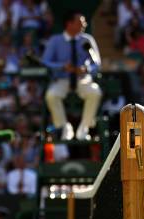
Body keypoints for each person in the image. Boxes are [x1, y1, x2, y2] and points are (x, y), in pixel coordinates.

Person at [42, 11, 102, 140]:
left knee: (95, 92)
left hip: (82, 79)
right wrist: (62, 66)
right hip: (62, 79)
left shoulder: (87, 40)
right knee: (52, 95)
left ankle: (84, 128)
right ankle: (64, 127)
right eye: (80, 22)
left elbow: (96, 64)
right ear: (69, 24)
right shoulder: (55, 40)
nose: (84, 25)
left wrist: (86, 69)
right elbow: (46, 62)